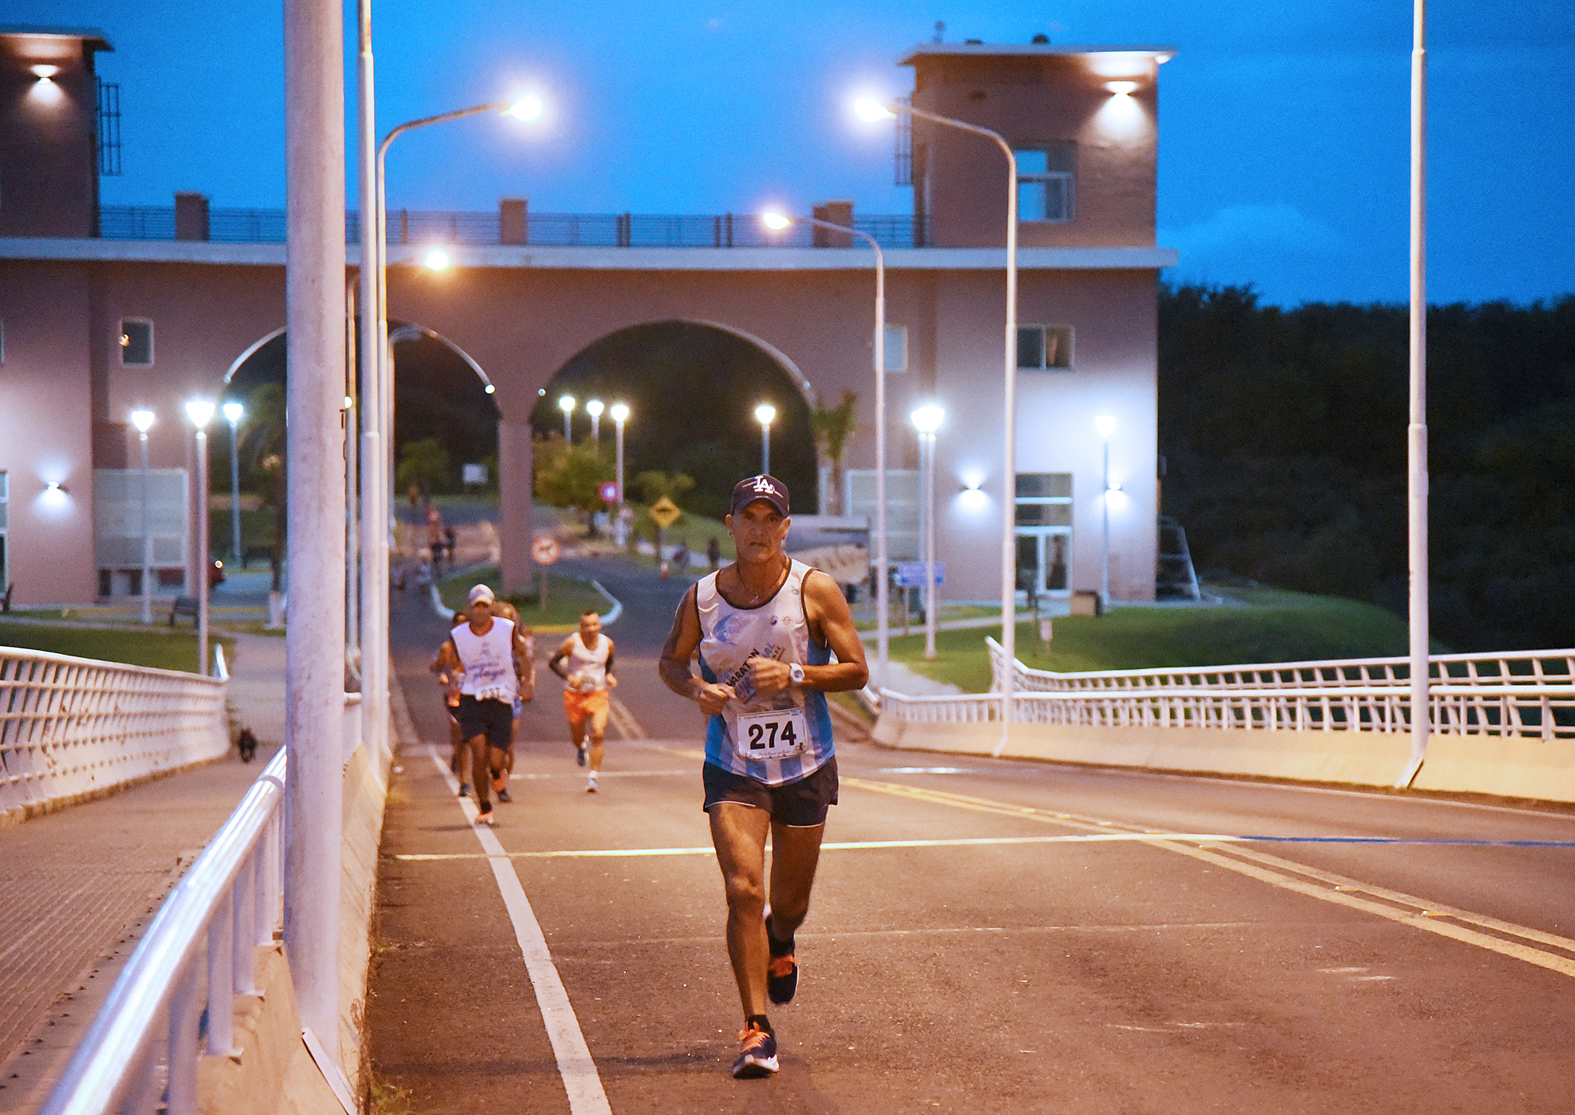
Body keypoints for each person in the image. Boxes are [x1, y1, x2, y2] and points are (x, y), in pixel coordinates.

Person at [658, 474, 868, 1079]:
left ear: (785, 527)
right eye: (746, 518)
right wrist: (696, 686)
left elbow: (856, 671)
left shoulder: (814, 590)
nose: (757, 529)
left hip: (805, 762)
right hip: (734, 763)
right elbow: (670, 660)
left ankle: (783, 939)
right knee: (742, 889)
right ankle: (755, 1029)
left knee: (789, 902)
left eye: (768, 518)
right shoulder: (701, 597)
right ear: (729, 524)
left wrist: (796, 675)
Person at [429, 585, 531, 825]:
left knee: (496, 759)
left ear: (492, 607)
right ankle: (484, 807)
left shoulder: (506, 629)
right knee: (478, 752)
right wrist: (453, 679)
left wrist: (527, 682)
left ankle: (497, 773)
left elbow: (523, 653)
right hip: (472, 698)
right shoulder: (459, 634)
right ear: (471, 608)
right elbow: (455, 664)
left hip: (501, 698)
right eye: (477, 606)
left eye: (486, 605)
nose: (481, 610)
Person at [549, 609, 617, 793]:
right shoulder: (572, 643)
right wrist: (568, 676)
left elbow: (609, 662)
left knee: (598, 732)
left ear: (599, 625)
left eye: (594, 624)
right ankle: (580, 747)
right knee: (577, 735)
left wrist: (609, 674)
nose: (591, 629)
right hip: (574, 695)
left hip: (597, 693)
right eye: (586, 625)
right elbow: (553, 663)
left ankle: (593, 777)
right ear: (581, 626)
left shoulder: (607, 644)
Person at [490, 597, 536, 802]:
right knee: (489, 747)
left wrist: (528, 685)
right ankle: (493, 772)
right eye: (502, 619)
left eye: (511, 620)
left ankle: (502, 785)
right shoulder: (484, 641)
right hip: (487, 697)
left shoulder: (519, 645)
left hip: (511, 698)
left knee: (507, 744)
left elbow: (528, 667)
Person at [429, 610, 469, 792]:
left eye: (464, 622)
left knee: (472, 736)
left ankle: (459, 756)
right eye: (457, 622)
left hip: (473, 694)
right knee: (458, 731)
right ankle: (464, 779)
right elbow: (435, 666)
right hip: (453, 695)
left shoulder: (474, 645)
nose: (460, 625)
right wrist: (442, 675)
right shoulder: (447, 648)